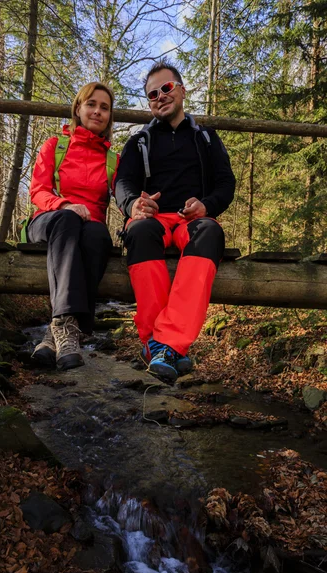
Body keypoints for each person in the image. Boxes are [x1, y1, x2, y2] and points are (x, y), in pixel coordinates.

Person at [115, 62, 235, 384]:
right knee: (138, 231)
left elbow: (226, 184)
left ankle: (160, 344)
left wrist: (206, 205)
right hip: (152, 220)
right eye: (152, 94)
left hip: (191, 220)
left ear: (182, 90)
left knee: (210, 232)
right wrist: (133, 205)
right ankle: (165, 347)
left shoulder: (206, 138)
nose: (160, 97)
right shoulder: (138, 142)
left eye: (166, 88)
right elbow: (123, 184)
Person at [27, 82, 118, 370]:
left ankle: (56, 332)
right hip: (49, 220)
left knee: (98, 234)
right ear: (78, 109)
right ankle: (66, 326)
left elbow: (127, 194)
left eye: (104, 107)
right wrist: (64, 205)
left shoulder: (113, 159)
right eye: (91, 104)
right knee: (69, 219)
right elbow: (37, 192)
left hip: (89, 228)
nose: (97, 111)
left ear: (109, 117)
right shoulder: (55, 145)